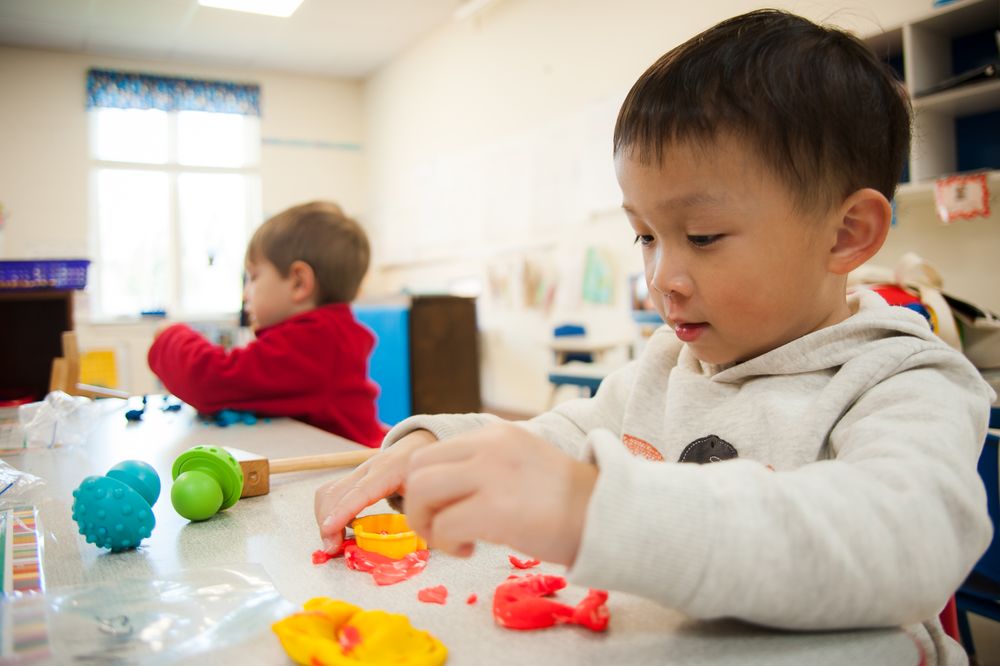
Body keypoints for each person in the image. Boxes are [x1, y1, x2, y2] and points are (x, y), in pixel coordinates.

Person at [314, 10, 994, 663]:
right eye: (644, 235)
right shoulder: (671, 365)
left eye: (700, 237)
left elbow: (907, 541)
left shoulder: (900, 379)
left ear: (845, 234)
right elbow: (566, 433)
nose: (660, 276)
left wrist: (593, 511)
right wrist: (442, 447)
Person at [149, 201, 386, 448]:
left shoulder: (315, 340)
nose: (245, 294)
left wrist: (170, 335)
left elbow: (213, 380)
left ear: (298, 283)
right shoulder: (327, 333)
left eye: (253, 277)